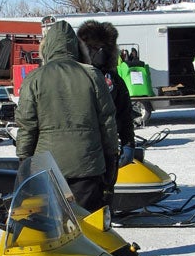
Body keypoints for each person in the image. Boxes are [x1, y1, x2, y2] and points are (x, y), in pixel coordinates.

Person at [15, 20, 118, 214]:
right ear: (75, 46)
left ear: (47, 48)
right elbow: (108, 122)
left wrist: (24, 161)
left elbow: (26, 126)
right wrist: (111, 157)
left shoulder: (34, 79)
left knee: (53, 227)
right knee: (88, 224)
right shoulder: (92, 75)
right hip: (88, 165)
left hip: (47, 166)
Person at [77, 20, 135, 171]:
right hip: (78, 151)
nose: (101, 53)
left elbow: (125, 114)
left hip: (107, 151)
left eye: (105, 48)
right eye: (96, 48)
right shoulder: (73, 78)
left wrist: (128, 143)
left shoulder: (114, 80)